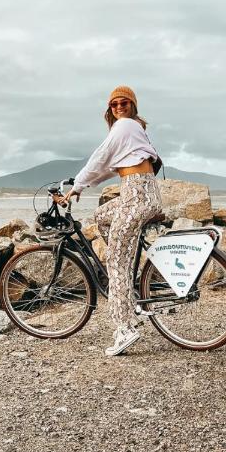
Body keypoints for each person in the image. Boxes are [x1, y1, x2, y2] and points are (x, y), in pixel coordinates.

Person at [59, 86, 162, 356]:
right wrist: (79, 187)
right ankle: (129, 290)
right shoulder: (131, 128)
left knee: (115, 263)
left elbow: (100, 156)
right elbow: (107, 167)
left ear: (133, 105)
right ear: (109, 108)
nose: (119, 107)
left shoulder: (125, 125)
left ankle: (125, 328)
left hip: (136, 195)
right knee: (102, 216)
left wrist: (79, 182)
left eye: (124, 102)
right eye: (114, 104)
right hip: (137, 192)